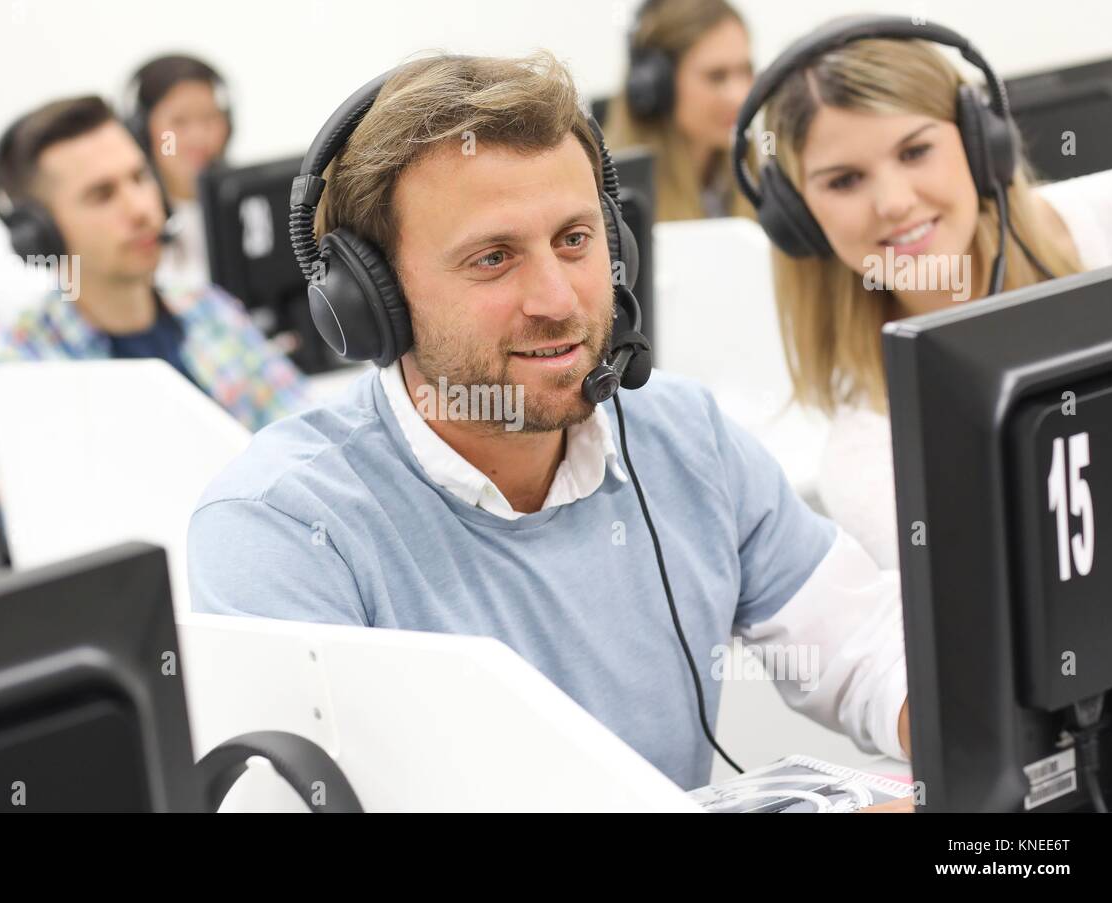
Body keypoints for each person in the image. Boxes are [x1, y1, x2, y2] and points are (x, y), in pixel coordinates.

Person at [188, 52, 911, 793]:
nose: (559, 300)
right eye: (493, 258)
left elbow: (863, 646)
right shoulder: (282, 529)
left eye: (574, 240)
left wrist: (961, 742)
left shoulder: (685, 435)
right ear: (375, 303)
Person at [739, 16, 1112, 568]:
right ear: (797, 220)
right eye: (844, 181)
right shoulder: (871, 458)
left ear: (980, 143)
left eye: (915, 151)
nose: (894, 202)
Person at [0, 95, 304, 433]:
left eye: (140, 177)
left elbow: (304, 431)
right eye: (102, 195)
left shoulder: (209, 309)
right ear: (39, 234)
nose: (140, 209)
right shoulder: (16, 368)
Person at [603, 0, 755, 220]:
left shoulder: (754, 174)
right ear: (657, 85)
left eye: (746, 71)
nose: (740, 96)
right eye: (717, 76)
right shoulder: (614, 198)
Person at [122, 54, 234, 293]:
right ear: (142, 132)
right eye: (179, 122)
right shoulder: (131, 219)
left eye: (210, 118)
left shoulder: (246, 209)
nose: (198, 137)